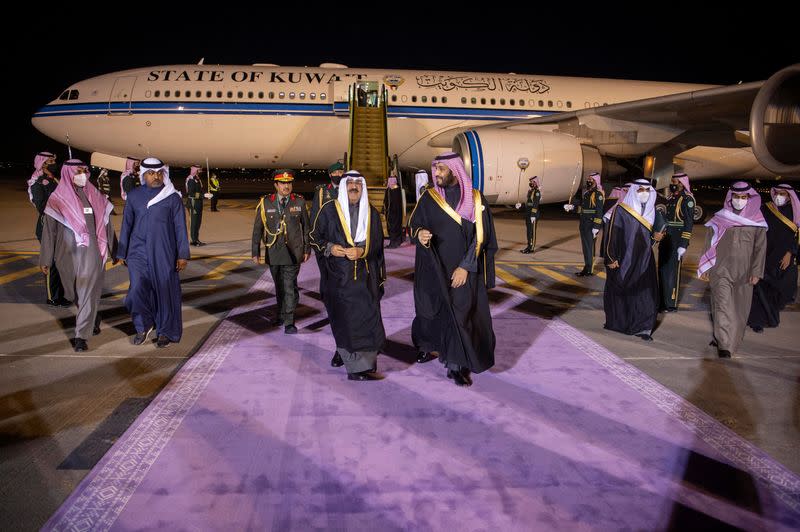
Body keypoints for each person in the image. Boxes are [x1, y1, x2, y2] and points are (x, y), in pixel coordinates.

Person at [409, 152, 497, 387]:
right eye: (435, 168)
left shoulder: (476, 200)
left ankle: (456, 366)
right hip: (434, 268)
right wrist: (420, 234)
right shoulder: (429, 198)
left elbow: (481, 238)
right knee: (431, 312)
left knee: (460, 316)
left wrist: (465, 268)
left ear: (455, 171)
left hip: (462, 271)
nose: (435, 173)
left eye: (441, 169)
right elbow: (414, 224)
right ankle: (428, 346)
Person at [310, 171, 386, 381]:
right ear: (343, 186)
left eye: (358, 183)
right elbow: (314, 237)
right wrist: (330, 247)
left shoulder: (371, 213)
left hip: (365, 278)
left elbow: (378, 244)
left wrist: (363, 251)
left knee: (366, 320)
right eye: (350, 183)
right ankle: (352, 363)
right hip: (338, 278)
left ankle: (361, 365)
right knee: (342, 320)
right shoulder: (328, 210)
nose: (354, 186)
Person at [39, 159, 117, 352]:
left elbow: (107, 225)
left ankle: (81, 336)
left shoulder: (95, 195)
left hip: (92, 252)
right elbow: (49, 232)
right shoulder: (57, 199)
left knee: (87, 291)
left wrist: (116, 251)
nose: (83, 174)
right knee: (73, 293)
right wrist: (46, 259)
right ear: (68, 173)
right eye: (78, 171)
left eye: (84, 171)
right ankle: (93, 316)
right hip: (66, 254)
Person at [117, 157, 190, 348]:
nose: (156, 176)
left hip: (164, 251)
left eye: (159, 173)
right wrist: (122, 252)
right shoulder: (133, 196)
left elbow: (181, 227)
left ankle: (165, 331)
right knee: (135, 291)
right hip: (137, 252)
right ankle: (143, 324)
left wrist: (182, 254)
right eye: (151, 173)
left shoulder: (172, 197)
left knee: (164, 292)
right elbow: (126, 225)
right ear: (143, 175)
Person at [698, 182, 767, 358]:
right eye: (736, 197)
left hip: (745, 272)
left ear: (749, 199)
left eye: (743, 197)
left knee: (740, 309)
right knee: (722, 305)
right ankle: (725, 345)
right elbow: (709, 243)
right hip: (721, 270)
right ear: (730, 197)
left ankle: (728, 337)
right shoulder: (720, 218)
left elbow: (760, 248)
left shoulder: (757, 221)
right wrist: (706, 266)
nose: (739, 200)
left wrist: (756, 272)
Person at [602, 179, 665, 342]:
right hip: (624, 259)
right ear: (634, 191)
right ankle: (623, 324)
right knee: (623, 292)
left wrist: (656, 238)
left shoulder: (653, 212)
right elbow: (611, 235)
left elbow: (647, 240)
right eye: (640, 190)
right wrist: (610, 257)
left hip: (645, 260)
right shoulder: (621, 210)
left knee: (648, 294)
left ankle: (644, 328)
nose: (644, 193)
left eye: (647, 190)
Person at [251, 169, 311, 334]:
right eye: (283, 183)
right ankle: (280, 314)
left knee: (289, 286)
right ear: (276, 185)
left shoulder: (299, 202)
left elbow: (306, 227)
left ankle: (289, 321)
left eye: (289, 183)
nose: (287, 186)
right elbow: (258, 229)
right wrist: (255, 252)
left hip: (293, 252)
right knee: (279, 286)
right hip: (274, 251)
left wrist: (307, 249)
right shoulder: (266, 202)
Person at [747, 184, 799, 331]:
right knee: (760, 290)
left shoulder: (795, 212)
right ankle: (757, 321)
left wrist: (791, 252)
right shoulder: (765, 208)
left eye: (783, 194)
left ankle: (770, 317)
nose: (779, 196)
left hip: (783, 257)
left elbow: (796, 237)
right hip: (764, 253)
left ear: (789, 196)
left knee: (780, 292)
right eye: (777, 193)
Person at [29, 151, 69, 306]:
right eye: (51, 161)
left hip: (61, 225)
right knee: (51, 261)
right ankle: (53, 296)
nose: (54, 164)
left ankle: (63, 294)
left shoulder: (55, 179)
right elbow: (41, 206)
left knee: (63, 262)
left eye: (54, 161)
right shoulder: (38, 182)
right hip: (47, 227)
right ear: (43, 163)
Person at [658, 173, 695, 312]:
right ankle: (662, 301)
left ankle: (671, 303)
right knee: (662, 270)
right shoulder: (671, 198)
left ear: (682, 183)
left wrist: (683, 244)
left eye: (675, 182)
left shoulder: (687, 200)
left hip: (677, 239)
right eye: (672, 181)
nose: (672, 184)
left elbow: (688, 223)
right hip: (666, 238)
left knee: (672, 273)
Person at [564, 172, 604, 276]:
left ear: (596, 181)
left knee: (589, 247)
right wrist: (573, 208)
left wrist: (596, 226)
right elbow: (583, 209)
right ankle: (586, 268)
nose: (589, 181)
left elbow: (599, 211)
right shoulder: (587, 193)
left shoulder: (598, 194)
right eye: (588, 179)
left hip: (591, 224)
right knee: (585, 247)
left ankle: (589, 270)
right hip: (584, 224)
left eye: (591, 179)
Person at [310, 161, 344, 226]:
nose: (337, 175)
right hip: (326, 228)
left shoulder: (348, 190)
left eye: (340, 172)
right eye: (334, 173)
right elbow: (315, 213)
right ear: (330, 175)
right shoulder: (322, 191)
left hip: (344, 229)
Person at [517, 175, 541, 254]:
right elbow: (528, 203)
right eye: (530, 182)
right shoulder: (530, 191)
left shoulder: (537, 192)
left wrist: (533, 215)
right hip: (528, 213)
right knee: (528, 231)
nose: (531, 183)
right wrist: (521, 205)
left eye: (532, 182)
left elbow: (535, 204)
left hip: (533, 214)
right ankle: (528, 246)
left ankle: (532, 248)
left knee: (532, 232)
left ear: (536, 183)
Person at [185, 165, 205, 246]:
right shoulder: (191, 180)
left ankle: (197, 239)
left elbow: (199, 190)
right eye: (199, 170)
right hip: (193, 203)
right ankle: (193, 241)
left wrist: (204, 194)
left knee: (198, 222)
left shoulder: (197, 179)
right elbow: (191, 193)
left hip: (198, 203)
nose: (200, 171)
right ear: (195, 170)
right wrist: (202, 195)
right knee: (194, 223)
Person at [384, 173, 404, 248]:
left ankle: (393, 243)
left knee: (393, 227)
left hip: (393, 213)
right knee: (395, 226)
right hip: (394, 213)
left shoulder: (393, 190)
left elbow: (392, 203)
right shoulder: (393, 189)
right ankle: (398, 240)